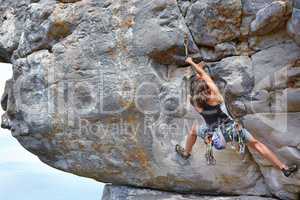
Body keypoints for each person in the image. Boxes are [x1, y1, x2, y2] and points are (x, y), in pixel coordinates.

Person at [175, 57, 298, 177]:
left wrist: (193, 71)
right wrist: (192, 63)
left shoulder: (196, 103)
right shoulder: (216, 96)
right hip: (232, 130)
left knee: (193, 131)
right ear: (207, 88)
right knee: (256, 144)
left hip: (215, 137)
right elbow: (204, 76)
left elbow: (194, 88)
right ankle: (283, 168)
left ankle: (186, 153)